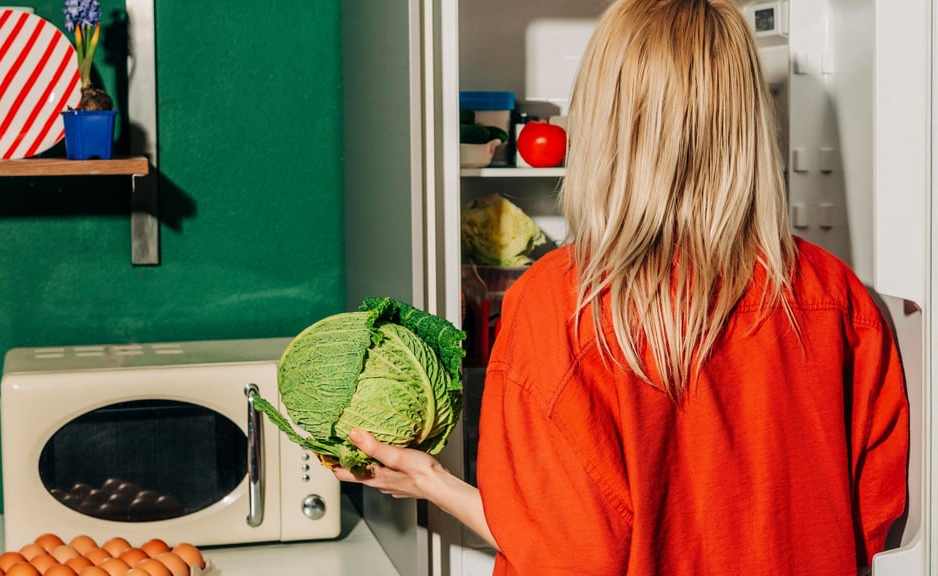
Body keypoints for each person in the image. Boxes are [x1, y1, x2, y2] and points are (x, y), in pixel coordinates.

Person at [333, 0, 910, 573]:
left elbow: (563, 557)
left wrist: (434, 483)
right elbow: (872, 521)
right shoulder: (839, 297)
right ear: (749, 121)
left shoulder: (561, 306)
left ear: (602, 122)